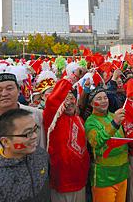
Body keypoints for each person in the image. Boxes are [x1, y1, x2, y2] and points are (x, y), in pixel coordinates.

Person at [43, 68, 90, 202]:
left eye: (71, 98)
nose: (69, 102)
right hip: (61, 183)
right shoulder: (53, 119)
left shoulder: (79, 119)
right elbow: (52, 102)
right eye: (65, 99)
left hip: (80, 181)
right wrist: (73, 77)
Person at [85, 87, 129, 202]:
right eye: (99, 98)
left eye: (105, 97)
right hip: (104, 178)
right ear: (91, 104)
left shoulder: (113, 115)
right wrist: (114, 123)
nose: (104, 101)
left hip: (122, 174)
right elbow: (96, 142)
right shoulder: (90, 122)